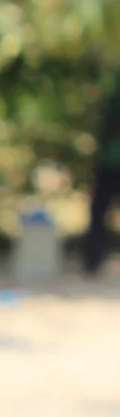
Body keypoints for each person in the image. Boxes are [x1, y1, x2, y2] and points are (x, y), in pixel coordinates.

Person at [88, 73, 120, 276]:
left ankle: (94, 260)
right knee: (99, 210)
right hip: (110, 160)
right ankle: (94, 260)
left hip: (109, 160)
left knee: (99, 210)